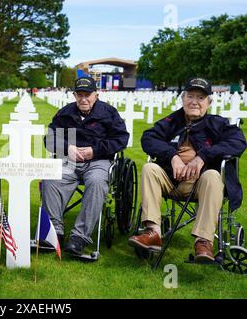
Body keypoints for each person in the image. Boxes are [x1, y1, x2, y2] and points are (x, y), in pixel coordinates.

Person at [128, 78, 247, 262]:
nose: (194, 102)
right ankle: (153, 232)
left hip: (202, 185)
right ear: (183, 99)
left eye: (200, 97)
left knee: (213, 175)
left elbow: (238, 142)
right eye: (190, 96)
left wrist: (203, 157)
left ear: (209, 102)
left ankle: (203, 241)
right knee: (150, 168)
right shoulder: (171, 121)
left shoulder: (218, 124)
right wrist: (172, 156)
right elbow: (148, 138)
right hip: (171, 179)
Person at [42, 76, 129, 255]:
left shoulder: (109, 112)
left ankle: (79, 237)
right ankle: (54, 232)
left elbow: (121, 139)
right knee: (50, 177)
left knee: (97, 181)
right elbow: (49, 139)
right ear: (74, 95)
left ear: (96, 94)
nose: (83, 99)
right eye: (79, 94)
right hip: (69, 161)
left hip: (98, 161)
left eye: (87, 95)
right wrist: (68, 148)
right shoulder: (65, 113)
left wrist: (94, 151)